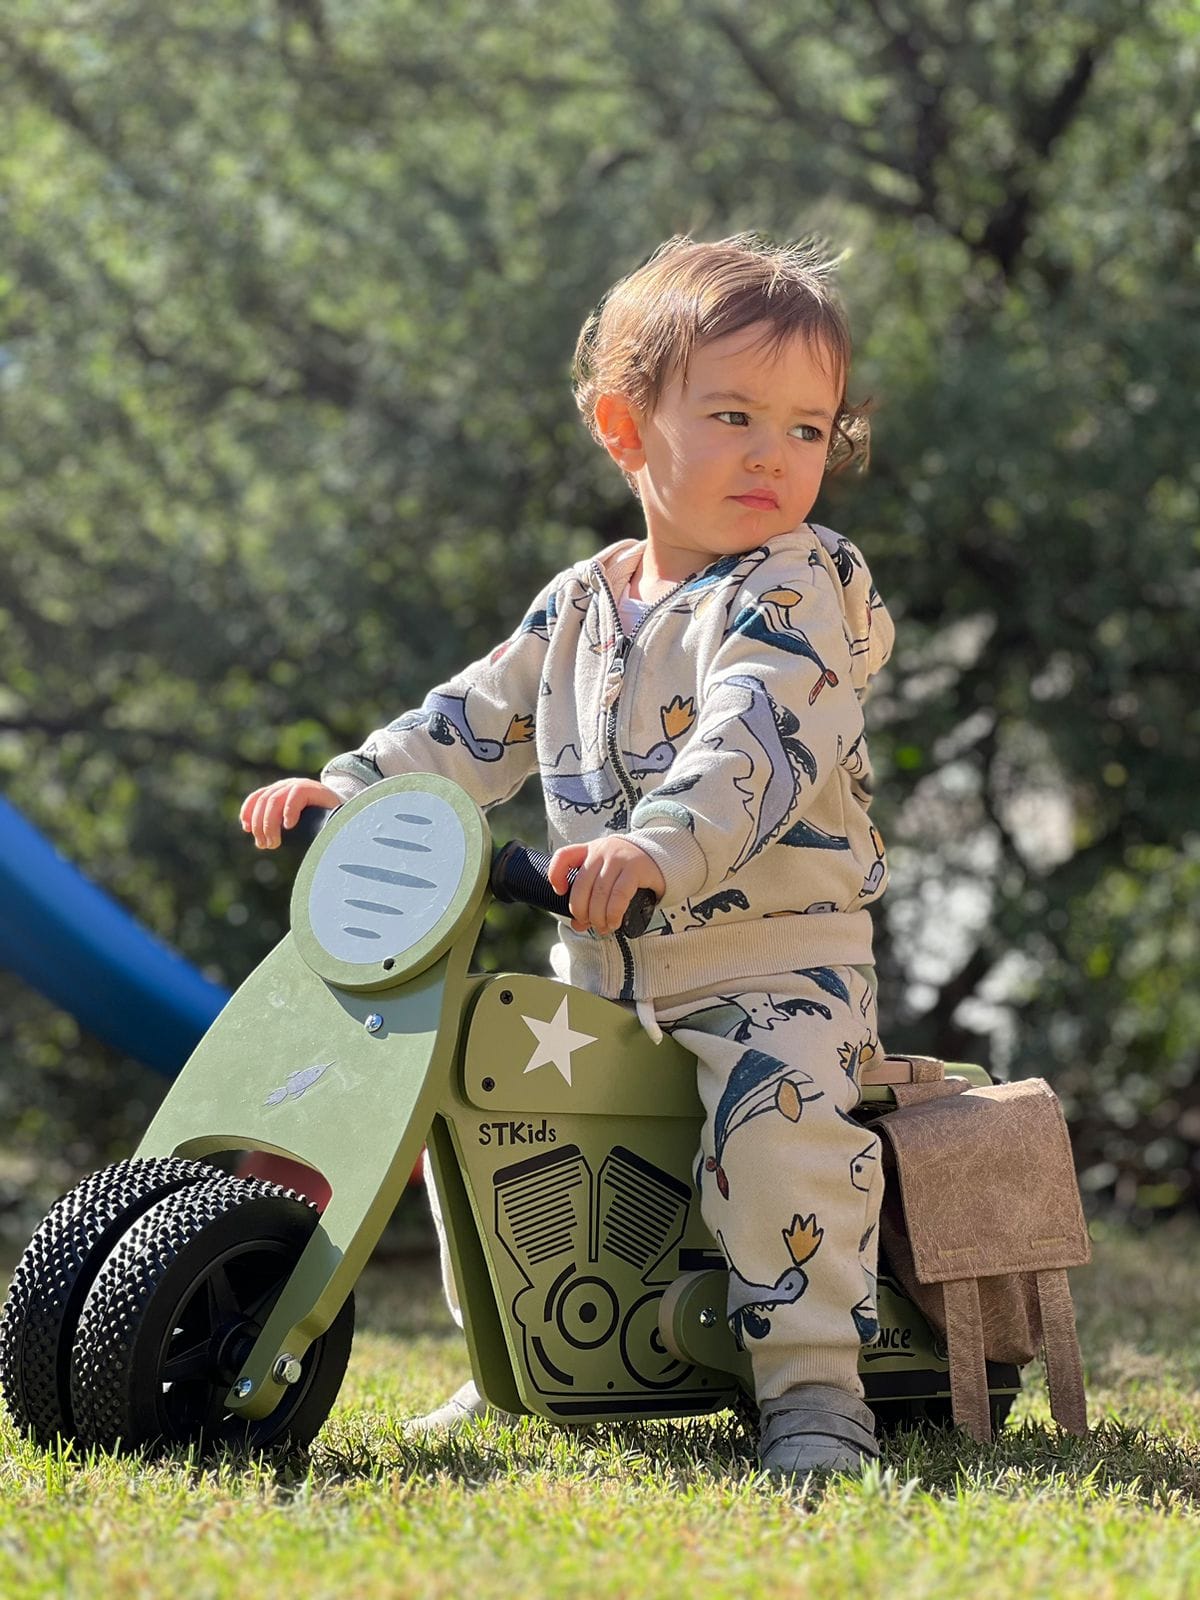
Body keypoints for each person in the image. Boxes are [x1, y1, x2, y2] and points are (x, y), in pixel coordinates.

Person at [241, 234, 894, 1478]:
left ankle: (814, 1388)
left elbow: (756, 733)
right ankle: (520, 1355)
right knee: (483, 1099)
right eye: (734, 414)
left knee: (779, 1121)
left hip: (775, 965)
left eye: (809, 429)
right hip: (599, 962)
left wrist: (655, 847)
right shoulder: (582, 601)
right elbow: (468, 723)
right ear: (622, 426)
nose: (774, 454)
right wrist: (349, 790)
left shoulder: (803, 587)